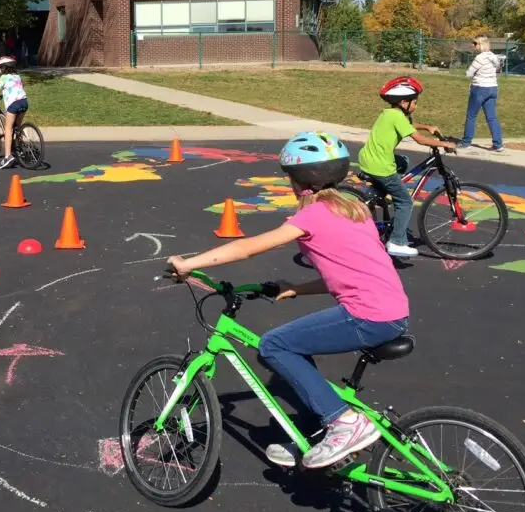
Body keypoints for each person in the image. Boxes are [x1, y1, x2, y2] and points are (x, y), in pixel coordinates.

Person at [167, 131, 410, 470]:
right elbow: (345, 274)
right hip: (391, 311)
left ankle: (344, 422)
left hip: (367, 316)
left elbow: (247, 247)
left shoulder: (313, 215)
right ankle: (316, 433)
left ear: (300, 180)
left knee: (274, 345)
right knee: (295, 347)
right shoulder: (354, 210)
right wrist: (295, 288)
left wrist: (189, 264)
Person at [358, 77, 455, 257]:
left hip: (369, 158)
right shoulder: (397, 117)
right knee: (405, 202)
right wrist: (445, 144)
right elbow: (419, 140)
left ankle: (379, 191)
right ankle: (396, 242)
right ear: (404, 102)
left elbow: (409, 126)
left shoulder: (390, 113)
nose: (416, 106)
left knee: (403, 161)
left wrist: (427, 127)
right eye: (414, 103)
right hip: (381, 166)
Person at [459, 35, 504, 152]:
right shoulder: (494, 57)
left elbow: (468, 74)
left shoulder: (479, 58)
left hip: (479, 88)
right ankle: (498, 144)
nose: (473, 46)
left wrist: (475, 74)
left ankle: (466, 142)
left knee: (471, 116)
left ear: (481, 44)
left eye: (475, 44)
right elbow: (498, 70)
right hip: (492, 88)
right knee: (491, 117)